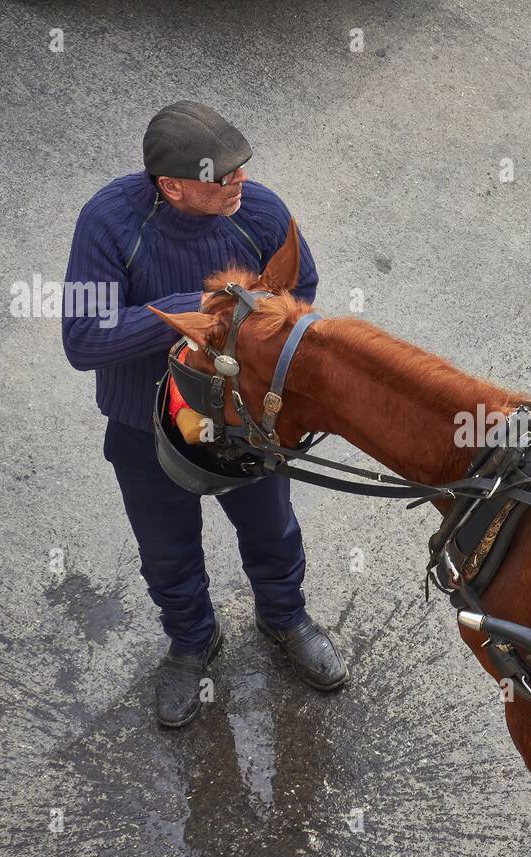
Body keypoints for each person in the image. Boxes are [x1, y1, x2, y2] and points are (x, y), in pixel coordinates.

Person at [61, 101, 348, 729]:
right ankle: (192, 641)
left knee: (272, 530)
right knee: (166, 551)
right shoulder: (107, 225)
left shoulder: (263, 213)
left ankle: (285, 617)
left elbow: (304, 293)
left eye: (243, 169)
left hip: (246, 422)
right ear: (171, 186)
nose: (240, 183)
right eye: (224, 178)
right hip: (148, 425)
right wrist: (185, 309)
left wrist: (258, 334)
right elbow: (83, 340)